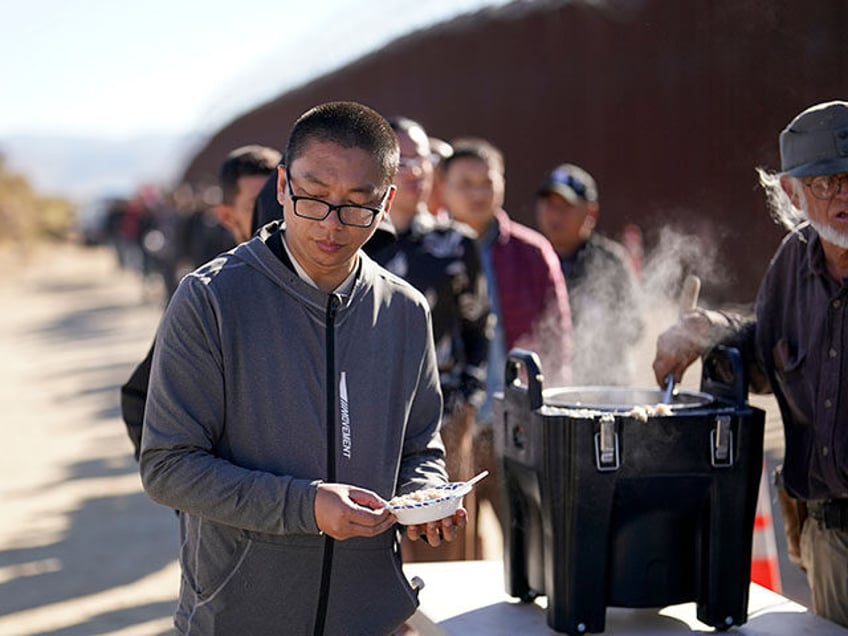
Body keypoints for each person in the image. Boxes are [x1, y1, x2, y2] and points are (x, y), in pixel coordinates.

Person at [139, 101, 465, 635]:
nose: (332, 225)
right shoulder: (211, 300)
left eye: (358, 204)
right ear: (284, 186)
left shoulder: (405, 311)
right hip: (238, 619)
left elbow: (420, 445)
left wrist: (426, 494)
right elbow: (168, 466)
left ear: (386, 203)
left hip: (373, 618)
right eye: (314, 198)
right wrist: (305, 505)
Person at [652, 100, 848, 628]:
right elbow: (761, 355)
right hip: (830, 538)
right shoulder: (792, 264)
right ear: (793, 192)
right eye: (827, 182)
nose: (844, 195)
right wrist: (707, 328)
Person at [441, 137, 572, 553]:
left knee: (531, 539)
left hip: (515, 419)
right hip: (451, 422)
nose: (478, 192)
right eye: (466, 183)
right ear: (443, 187)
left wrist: (548, 406)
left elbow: (559, 335)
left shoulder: (531, 252)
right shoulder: (430, 252)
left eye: (487, 181)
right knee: (456, 549)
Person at [373, 117, 490, 561]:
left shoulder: (457, 245)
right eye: (400, 159)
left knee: (445, 551)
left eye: (420, 157)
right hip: (369, 424)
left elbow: (479, 327)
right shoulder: (355, 248)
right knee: (374, 554)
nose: (414, 169)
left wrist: (469, 398)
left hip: (444, 417)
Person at [120, 145, 281, 460]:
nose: (274, 214)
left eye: (280, 200)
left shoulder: (325, 285)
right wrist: (193, 498)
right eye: (257, 205)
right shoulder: (208, 297)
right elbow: (142, 403)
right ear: (225, 215)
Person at [535, 163, 643, 385]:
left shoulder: (609, 262)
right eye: (549, 205)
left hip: (602, 385)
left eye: (565, 207)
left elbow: (633, 325)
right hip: (545, 382)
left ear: (590, 212)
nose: (555, 215)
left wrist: (593, 338)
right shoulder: (530, 256)